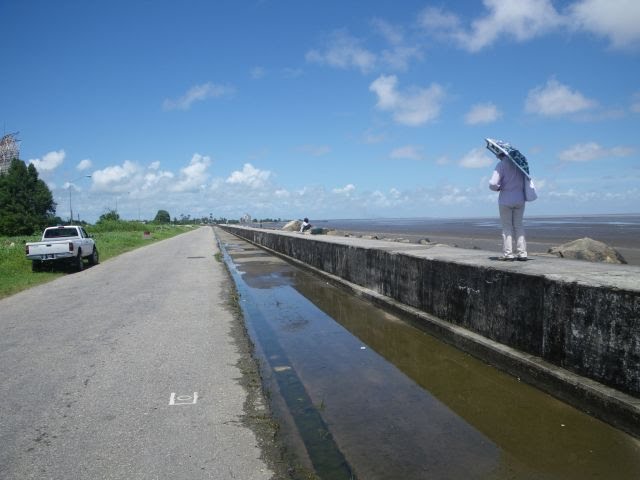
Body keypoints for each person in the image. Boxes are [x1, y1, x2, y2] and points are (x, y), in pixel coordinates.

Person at [489, 153, 527, 261]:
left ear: (501, 154)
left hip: (506, 199)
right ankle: (522, 253)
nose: (496, 156)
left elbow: (493, 183)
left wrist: (498, 188)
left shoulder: (501, 165)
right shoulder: (519, 164)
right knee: (519, 226)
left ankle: (508, 254)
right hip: (520, 198)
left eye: (497, 154)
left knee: (507, 227)